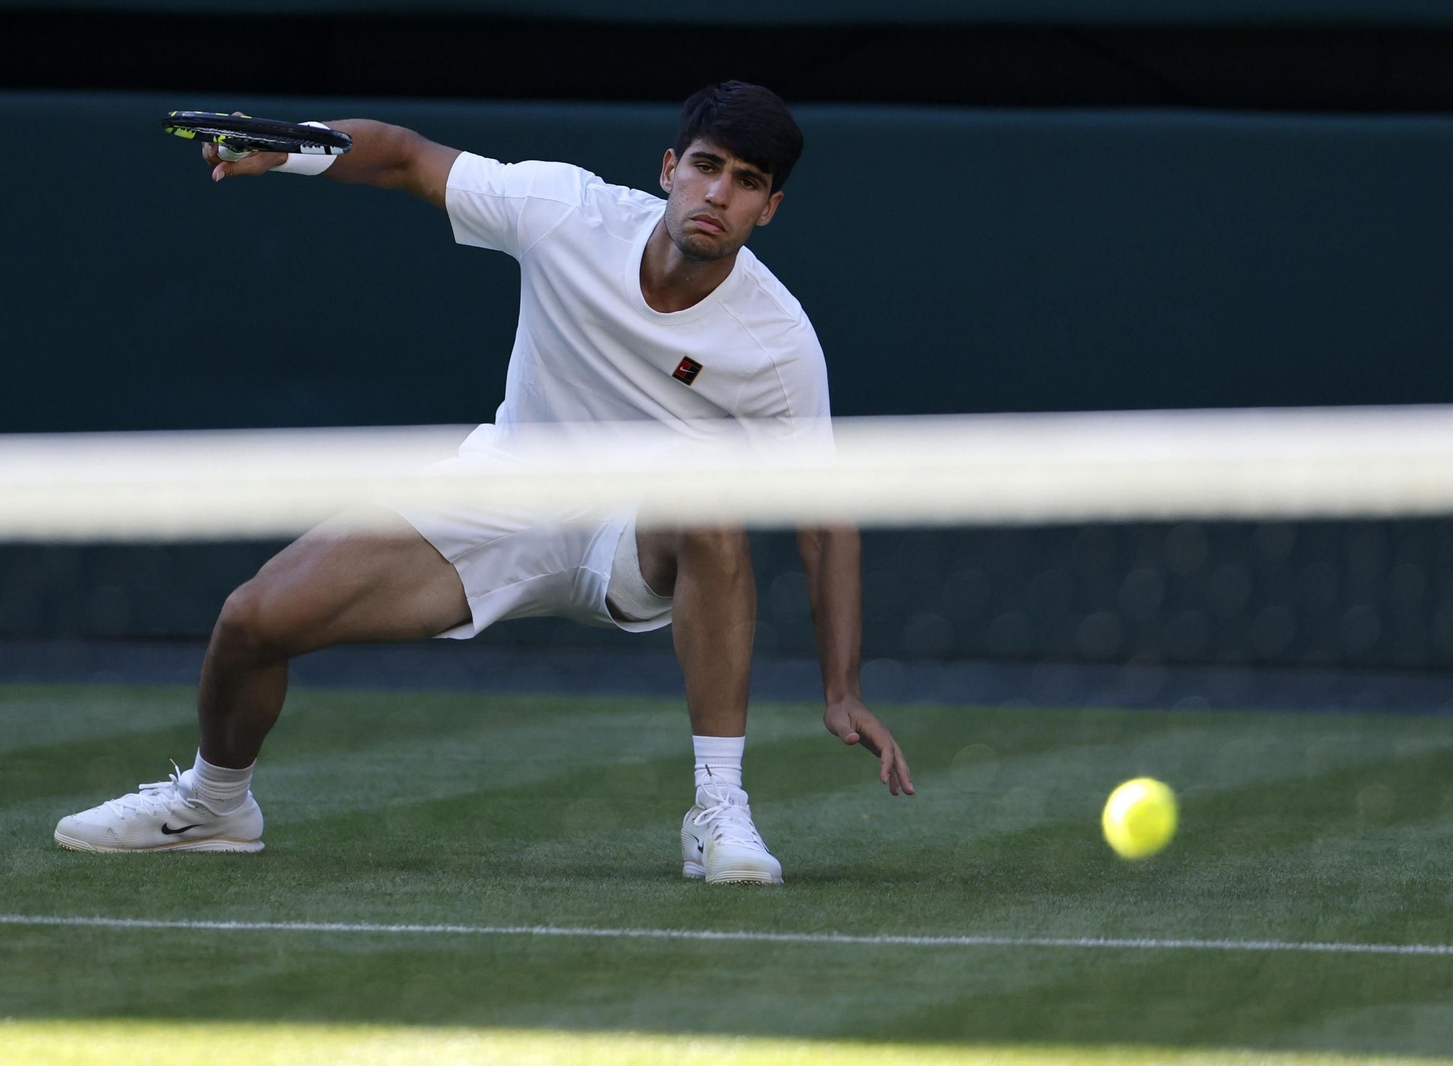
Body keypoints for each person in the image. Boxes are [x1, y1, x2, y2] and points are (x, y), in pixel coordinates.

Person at [55, 81, 914, 883]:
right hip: (502, 493)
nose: (717, 195)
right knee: (251, 620)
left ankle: (718, 809)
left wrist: (842, 691)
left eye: (746, 182)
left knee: (710, 504)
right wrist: (289, 148)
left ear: (770, 208)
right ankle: (213, 805)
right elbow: (400, 154)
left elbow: (825, 518)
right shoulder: (565, 211)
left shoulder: (778, 342)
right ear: (669, 170)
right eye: (706, 167)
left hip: (635, 541)